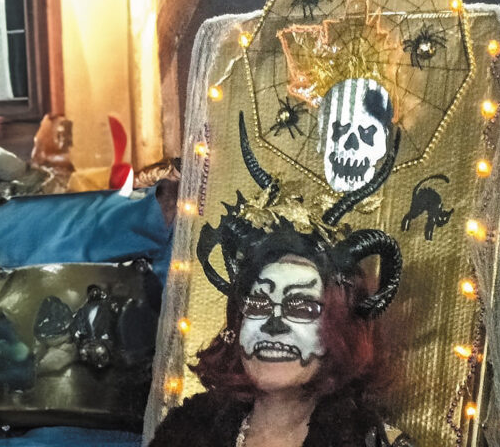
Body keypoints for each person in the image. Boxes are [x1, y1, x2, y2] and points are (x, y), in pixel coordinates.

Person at [150, 113, 413, 447]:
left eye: (301, 306)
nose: (273, 324)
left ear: (338, 331)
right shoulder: (187, 432)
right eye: (259, 304)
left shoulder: (371, 442)